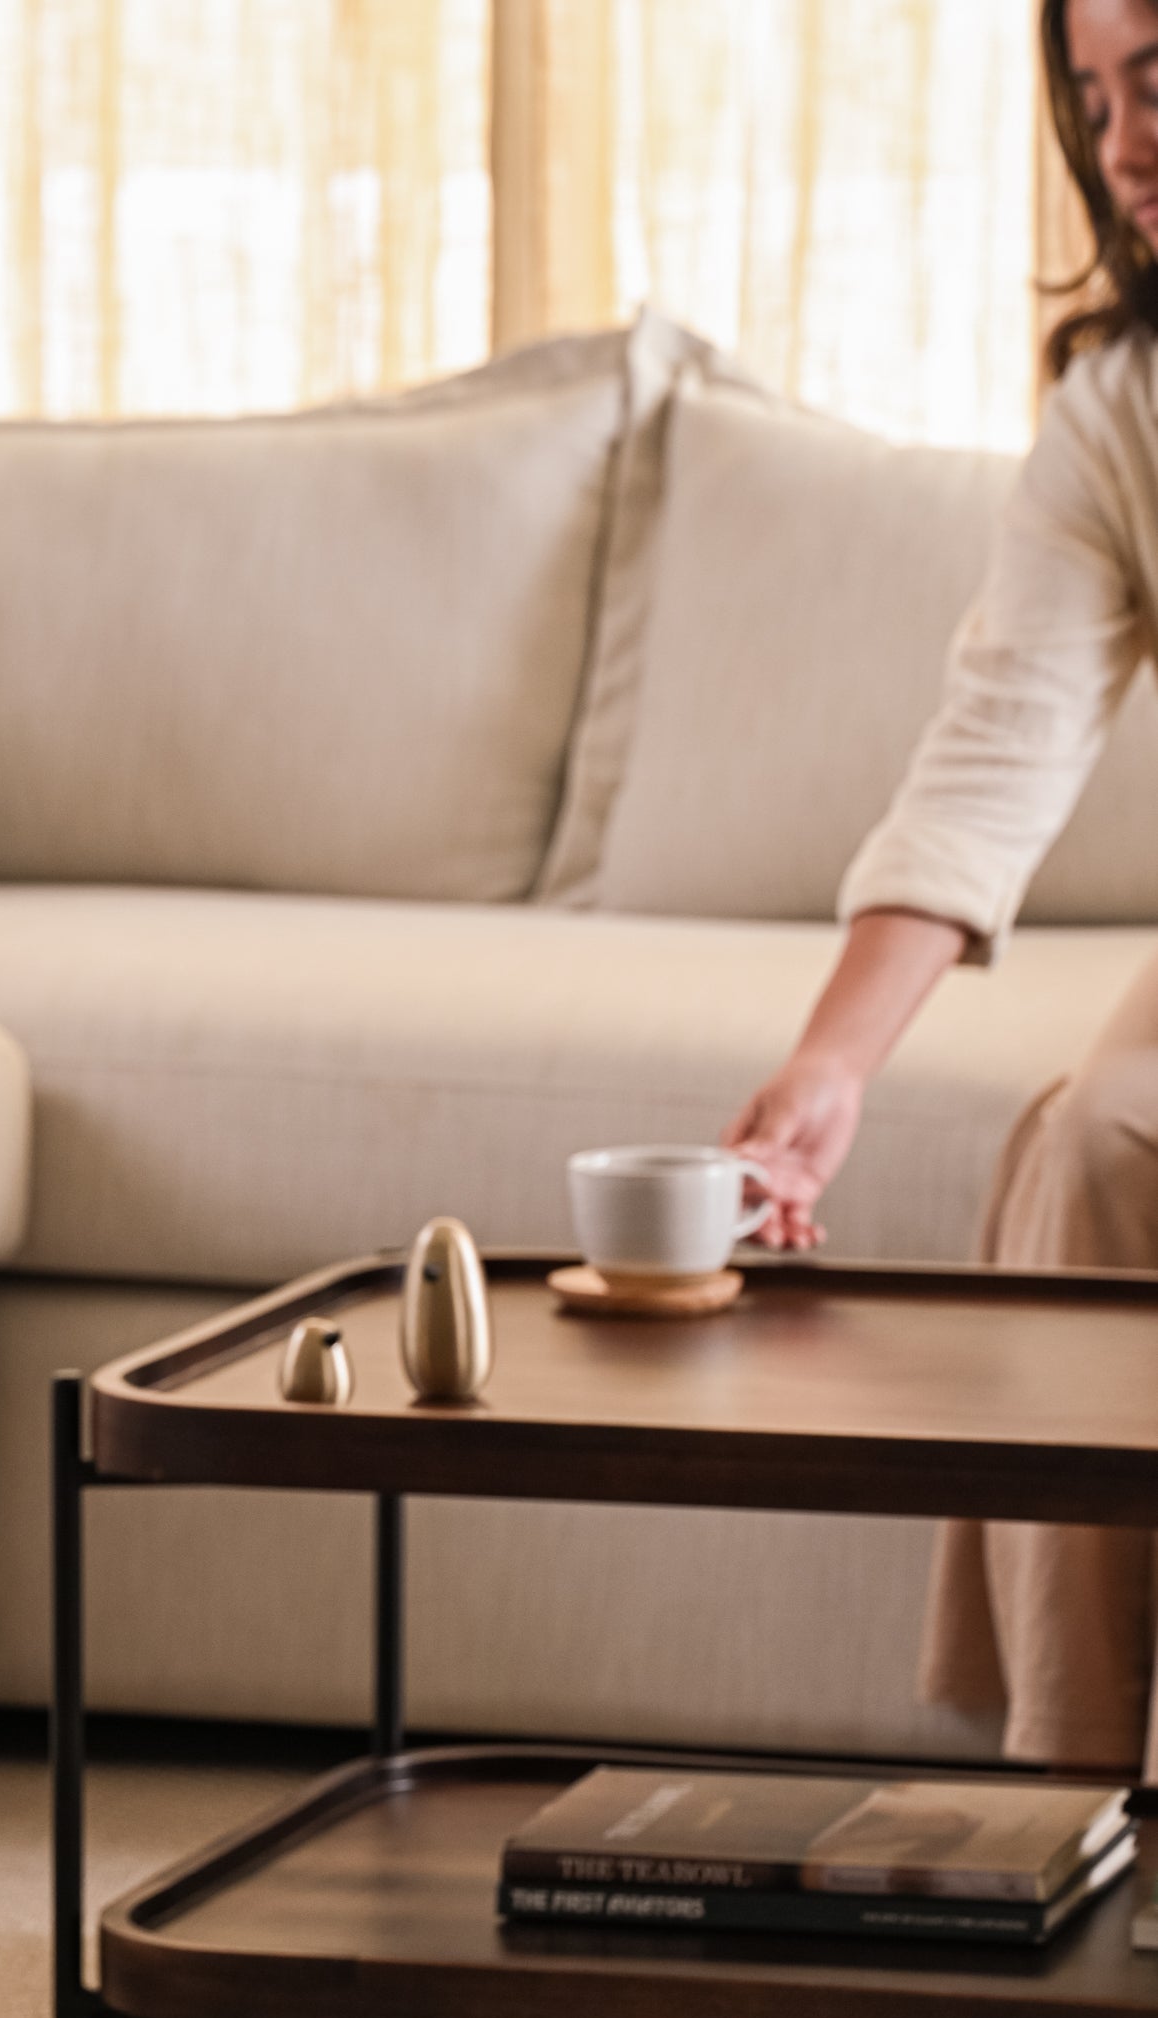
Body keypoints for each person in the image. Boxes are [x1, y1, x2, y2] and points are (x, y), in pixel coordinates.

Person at [728, 0, 1158, 1777]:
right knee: (1090, 1143)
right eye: (1092, 95)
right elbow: (1001, 741)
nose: (1121, 140)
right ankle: (1079, 1795)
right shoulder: (1120, 405)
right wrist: (826, 1074)